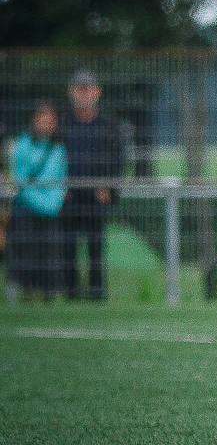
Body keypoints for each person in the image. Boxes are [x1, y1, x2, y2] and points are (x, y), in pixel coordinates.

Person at [60, 70, 122, 301]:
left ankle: (97, 293)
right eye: (79, 88)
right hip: (69, 195)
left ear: (97, 92)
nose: (84, 93)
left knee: (96, 246)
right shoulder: (63, 123)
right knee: (68, 247)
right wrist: (60, 187)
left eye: (88, 88)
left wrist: (108, 187)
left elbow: (118, 159)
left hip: (98, 196)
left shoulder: (108, 125)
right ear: (72, 91)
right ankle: (70, 293)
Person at [8, 101, 68, 300]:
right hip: (26, 209)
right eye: (42, 118)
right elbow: (20, 180)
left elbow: (61, 179)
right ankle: (25, 295)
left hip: (51, 211)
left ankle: (47, 296)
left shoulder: (58, 148)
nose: (46, 123)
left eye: (50, 119)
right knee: (25, 255)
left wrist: (52, 204)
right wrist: (42, 203)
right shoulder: (22, 144)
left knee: (49, 256)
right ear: (34, 120)